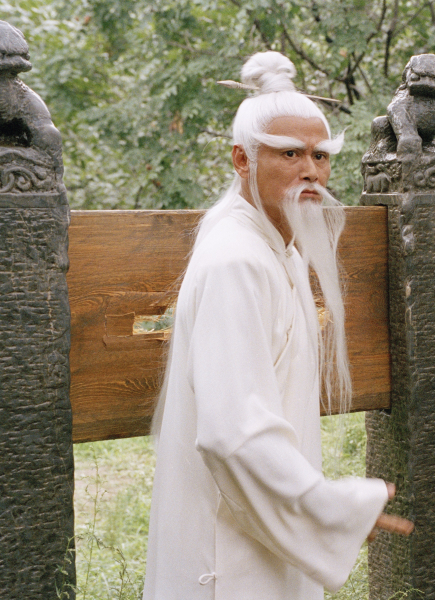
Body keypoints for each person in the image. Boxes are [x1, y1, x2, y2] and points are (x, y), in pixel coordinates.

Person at [144, 51, 410, 600]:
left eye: (320, 155)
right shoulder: (236, 260)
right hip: (225, 555)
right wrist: (327, 506)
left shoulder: (279, 251)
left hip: (262, 529)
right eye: (289, 153)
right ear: (242, 160)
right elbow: (232, 431)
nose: (311, 170)